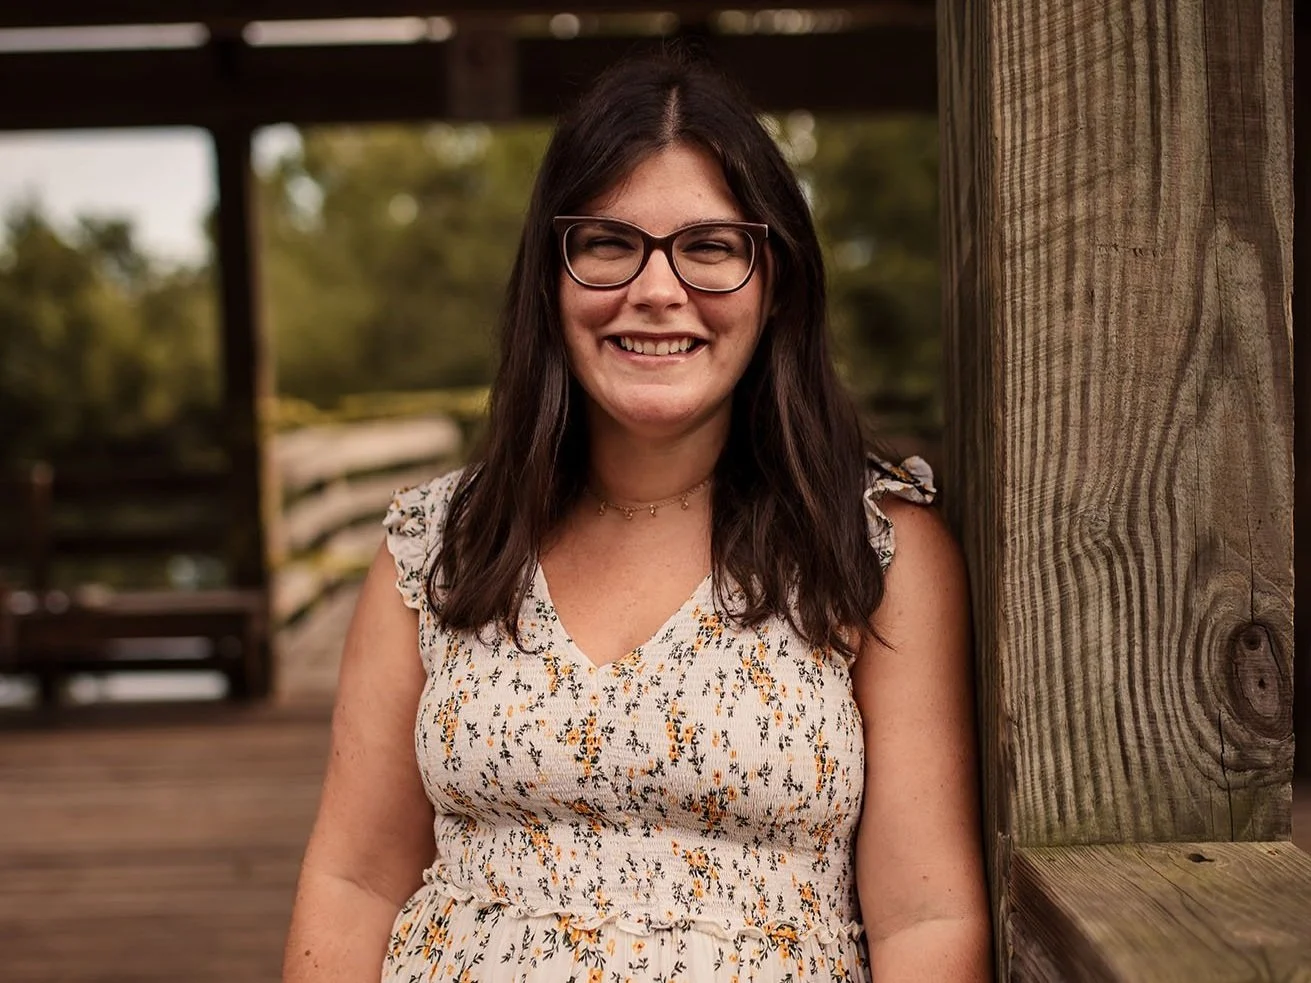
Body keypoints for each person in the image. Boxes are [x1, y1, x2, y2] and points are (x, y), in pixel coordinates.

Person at [283, 50, 991, 983]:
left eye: (709, 246)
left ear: (772, 280)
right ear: (551, 276)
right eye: (609, 243)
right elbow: (353, 881)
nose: (656, 290)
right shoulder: (438, 548)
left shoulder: (874, 550)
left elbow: (927, 918)